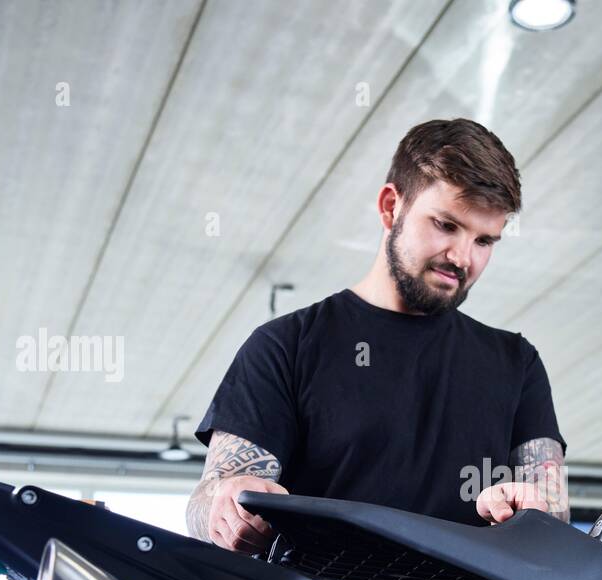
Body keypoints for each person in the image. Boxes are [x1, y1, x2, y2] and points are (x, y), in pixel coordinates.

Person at [186, 118, 569, 552]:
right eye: (446, 225)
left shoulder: (516, 363)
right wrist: (231, 500)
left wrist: (524, 512)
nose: (462, 257)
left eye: (484, 241)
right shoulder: (285, 346)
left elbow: (552, 522)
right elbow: (208, 500)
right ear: (391, 207)